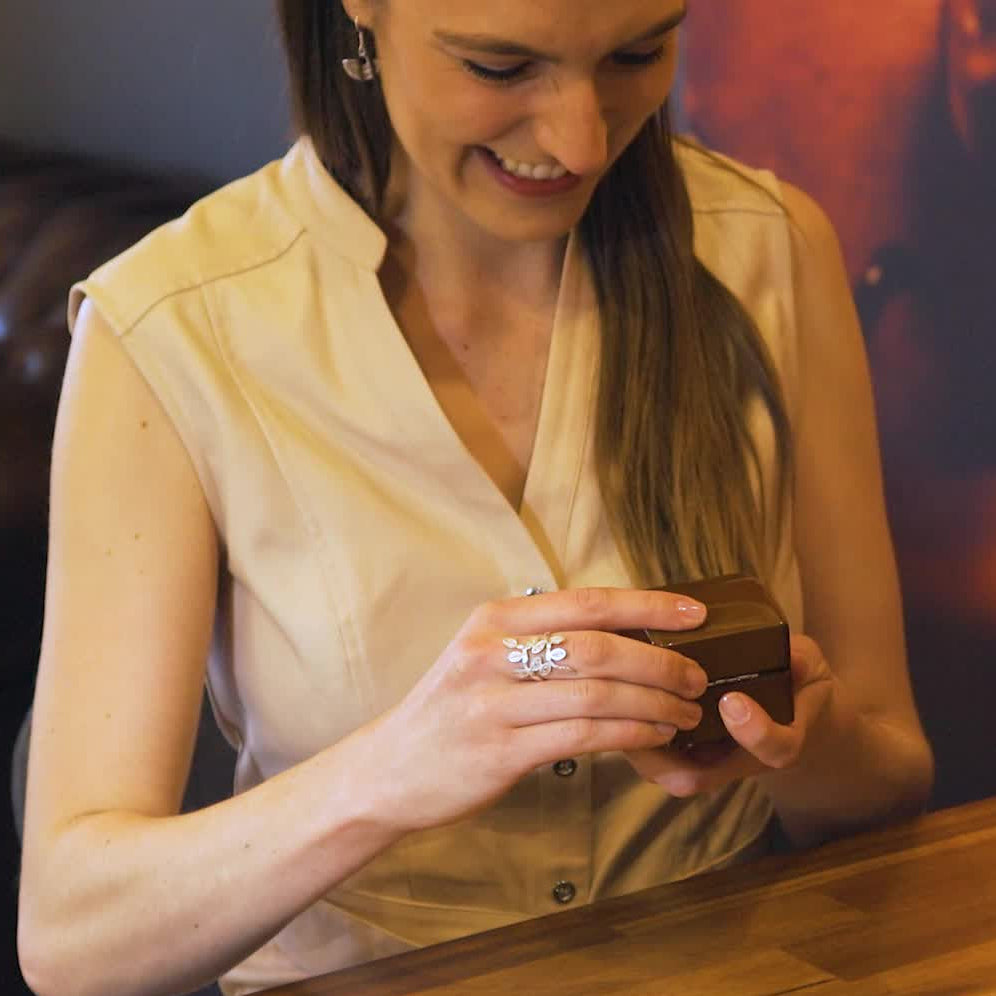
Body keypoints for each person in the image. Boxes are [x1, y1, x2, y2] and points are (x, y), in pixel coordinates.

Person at [17, 3, 934, 995]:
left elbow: (889, 781)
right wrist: (393, 772)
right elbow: (74, 937)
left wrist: (794, 742)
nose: (580, 139)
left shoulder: (776, 252)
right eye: (501, 67)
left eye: (638, 52)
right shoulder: (172, 326)